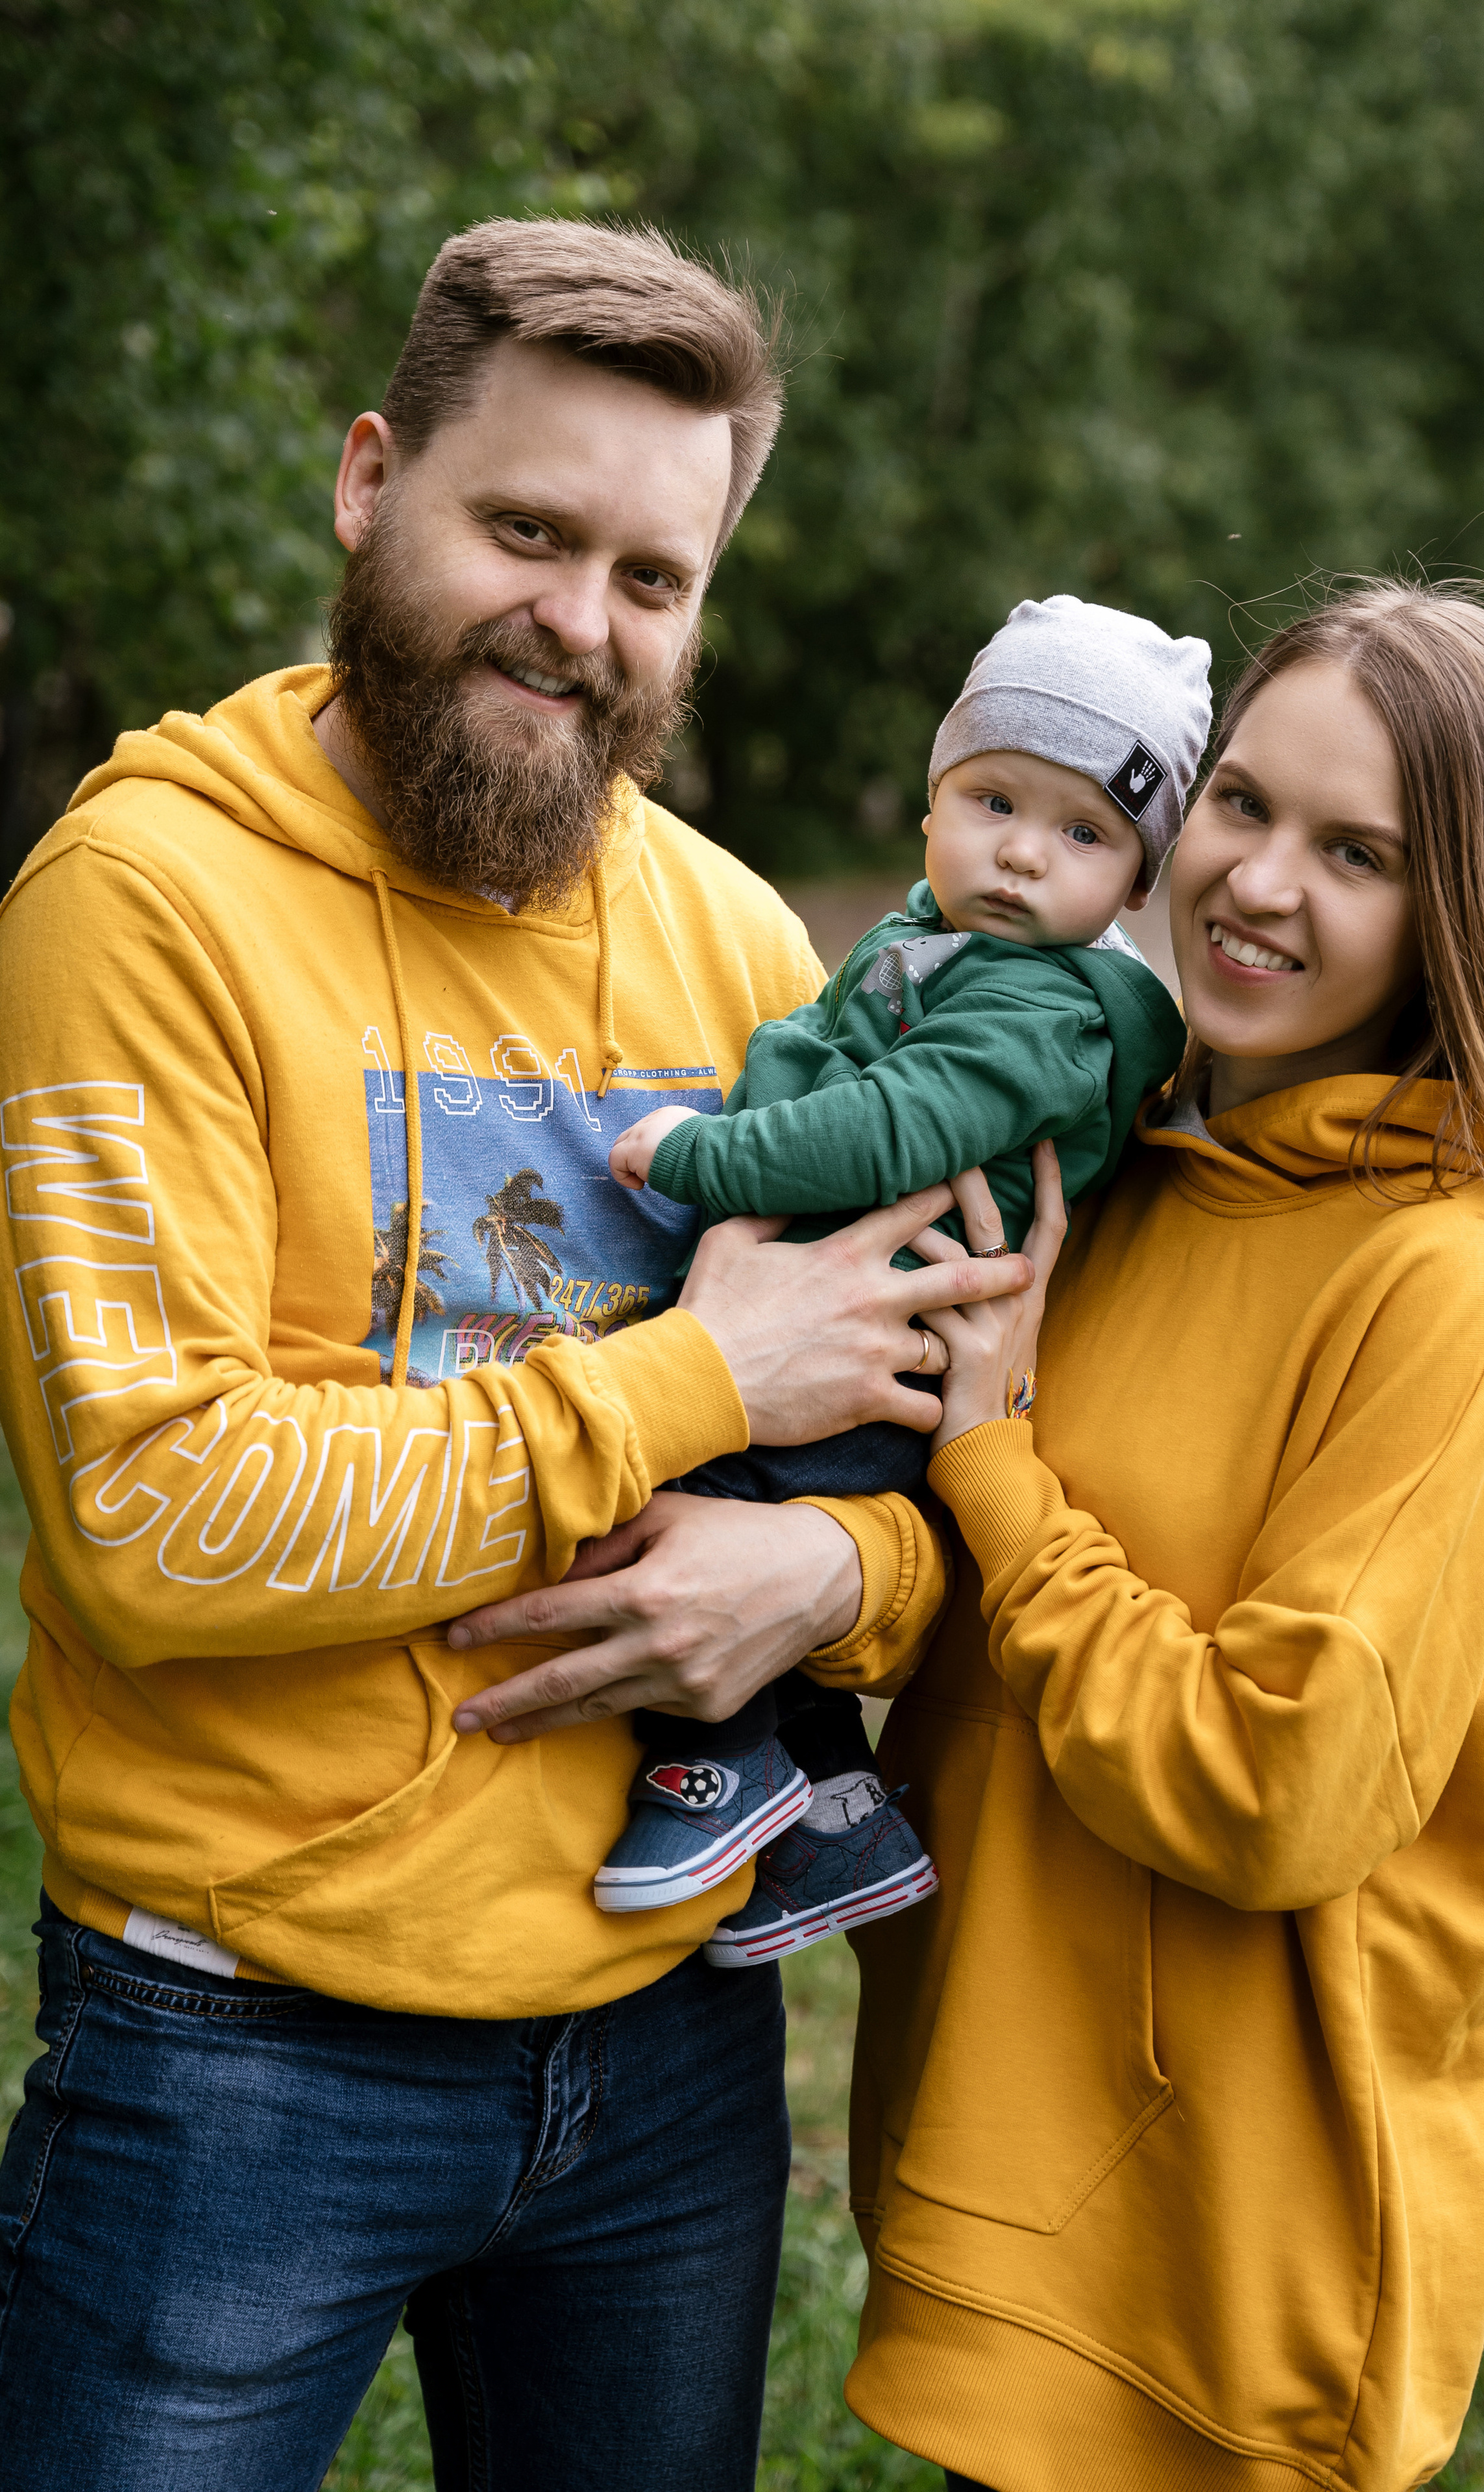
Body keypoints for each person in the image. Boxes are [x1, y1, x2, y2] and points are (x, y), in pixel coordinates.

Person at [0, 216, 1026, 2491]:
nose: (583, 625)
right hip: (234, 2048)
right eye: (528, 530)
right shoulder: (142, 902)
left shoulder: (741, 938)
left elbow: (949, 1474)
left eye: (652, 579)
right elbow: (154, 1520)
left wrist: (834, 1589)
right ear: (373, 483)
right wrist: (689, 1384)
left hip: (664, 2052)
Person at [832, 583, 1484, 2491]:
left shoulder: (1436, 1282)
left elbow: (1275, 1784)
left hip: (1219, 2275)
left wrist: (999, 1464)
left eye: (1360, 853)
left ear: (1464, 913)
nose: (1260, 885)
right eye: (1244, 807)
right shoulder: (1111, 1165)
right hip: (996, 2166)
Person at [592, 596, 1198, 1964]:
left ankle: (719, 1763)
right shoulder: (944, 941)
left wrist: (705, 1153)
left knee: (680, 1510)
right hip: (839, 1315)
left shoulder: (1045, 1009)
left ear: (1134, 887)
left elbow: (895, 1129)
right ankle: (833, 1819)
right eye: (992, 799)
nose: (1023, 855)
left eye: (1084, 834)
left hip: (885, 1352)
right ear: (934, 797)